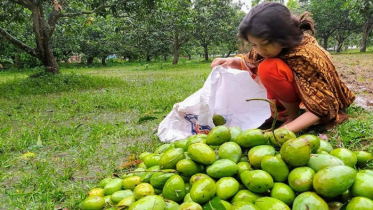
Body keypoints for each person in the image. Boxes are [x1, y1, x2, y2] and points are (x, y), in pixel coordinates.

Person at [211, 2, 355, 133]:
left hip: (314, 103)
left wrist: (285, 131)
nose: (260, 50)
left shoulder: (307, 55)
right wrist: (230, 61)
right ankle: (284, 113)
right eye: (254, 44)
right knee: (261, 68)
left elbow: (321, 107)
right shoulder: (268, 48)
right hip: (293, 96)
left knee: (268, 68)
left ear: (283, 36)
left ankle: (293, 116)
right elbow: (250, 61)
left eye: (265, 43)